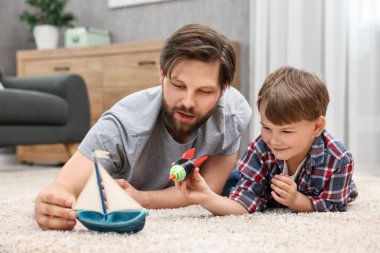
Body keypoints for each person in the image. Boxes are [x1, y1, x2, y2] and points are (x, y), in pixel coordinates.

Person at [34, 24, 252, 230]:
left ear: (223, 90)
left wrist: (142, 198)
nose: (188, 101)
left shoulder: (233, 114)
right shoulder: (123, 124)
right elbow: (65, 185)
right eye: (178, 85)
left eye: (204, 92)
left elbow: (208, 189)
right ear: (161, 73)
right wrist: (52, 202)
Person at [176, 66, 358, 215]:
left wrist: (297, 201)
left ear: (317, 127)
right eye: (266, 127)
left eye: (286, 131)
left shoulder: (339, 159)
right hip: (257, 182)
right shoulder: (259, 149)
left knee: (233, 180)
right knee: (232, 182)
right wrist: (206, 197)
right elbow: (243, 204)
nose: (274, 140)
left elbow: (335, 206)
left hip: (320, 191)